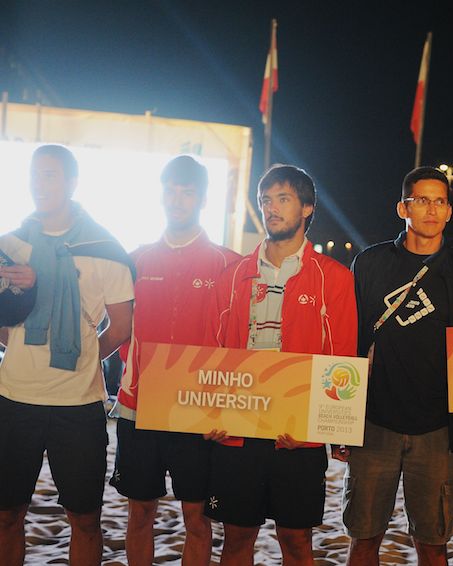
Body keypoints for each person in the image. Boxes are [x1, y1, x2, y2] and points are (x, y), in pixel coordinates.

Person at [341, 166, 453, 566]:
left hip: (438, 429)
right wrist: (339, 419)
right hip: (374, 425)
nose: (432, 209)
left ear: (449, 211)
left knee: (432, 544)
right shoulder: (370, 263)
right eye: (422, 200)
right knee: (363, 539)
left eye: (440, 201)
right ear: (403, 208)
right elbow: (348, 344)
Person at [202, 164, 357, 565]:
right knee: (237, 538)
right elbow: (211, 354)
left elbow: (342, 360)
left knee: (296, 539)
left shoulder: (334, 278)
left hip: (297, 432)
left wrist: (326, 432)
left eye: (283, 199)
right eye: (266, 200)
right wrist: (210, 413)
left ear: (307, 208)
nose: (271, 208)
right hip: (238, 426)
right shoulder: (232, 276)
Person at [0, 144, 135, 565]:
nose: (39, 184)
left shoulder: (106, 247)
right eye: (34, 174)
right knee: (6, 515)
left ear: (73, 182)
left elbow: (122, 327)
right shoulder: (10, 245)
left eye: (50, 175)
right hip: (14, 397)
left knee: (86, 519)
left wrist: (84, 356)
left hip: (78, 404)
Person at [109, 155, 241, 565]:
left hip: (198, 412)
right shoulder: (135, 259)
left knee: (197, 520)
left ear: (202, 199)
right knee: (139, 514)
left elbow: (237, 346)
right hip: (140, 407)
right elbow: (118, 328)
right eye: (170, 191)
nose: (177, 200)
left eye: (187, 192)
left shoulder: (229, 263)